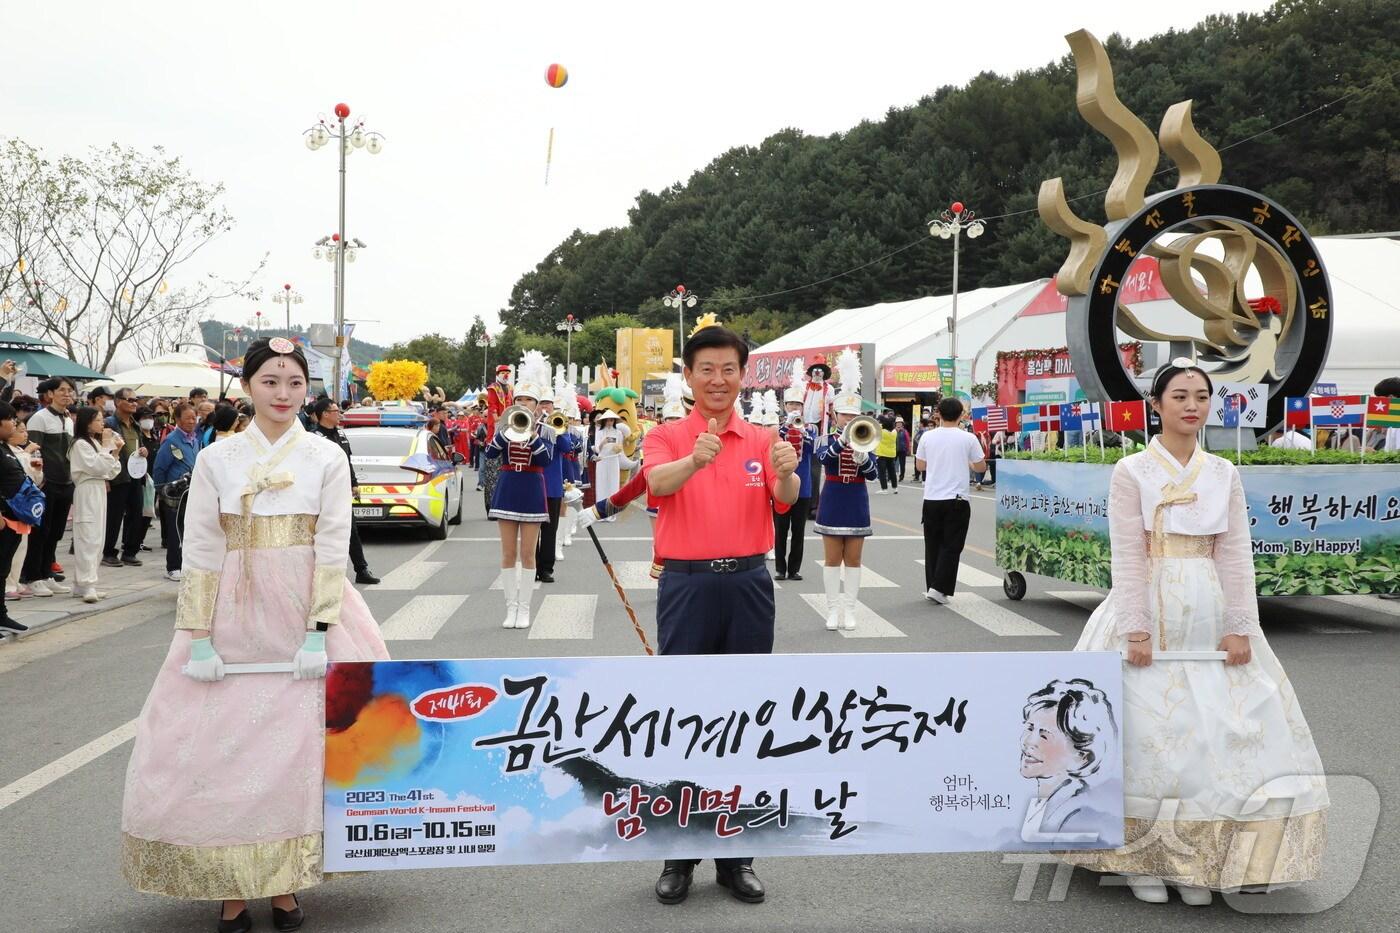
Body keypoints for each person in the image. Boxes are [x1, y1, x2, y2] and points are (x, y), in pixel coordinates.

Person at [121, 337, 390, 931]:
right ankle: (232, 888)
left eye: (294, 383)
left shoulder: (326, 457)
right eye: (270, 381)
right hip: (233, 609)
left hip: (304, 608)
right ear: (247, 387)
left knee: (303, 748)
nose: (283, 394)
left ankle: (287, 886)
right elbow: (201, 549)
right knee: (221, 746)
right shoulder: (218, 459)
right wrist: (198, 635)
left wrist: (320, 630)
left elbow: (331, 545)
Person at [1061, 359, 1328, 905]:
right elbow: (1127, 556)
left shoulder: (1223, 472)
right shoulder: (1131, 471)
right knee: (1146, 728)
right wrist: (1134, 630)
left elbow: (1236, 555)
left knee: (1220, 727)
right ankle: (1140, 859)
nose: (1191, 405)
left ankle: (1203, 859)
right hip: (1151, 600)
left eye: (1201, 396)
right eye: (1179, 396)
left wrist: (1241, 626)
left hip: (1207, 600)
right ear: (1154, 406)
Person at [642, 322, 799, 906]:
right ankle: (678, 857)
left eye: (727, 369)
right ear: (688, 375)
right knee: (684, 719)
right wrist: (695, 461)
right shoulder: (666, 434)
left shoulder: (761, 437)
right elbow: (655, 482)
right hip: (687, 587)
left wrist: (785, 470)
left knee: (746, 718)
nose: (717, 379)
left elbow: (786, 497)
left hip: (750, 585)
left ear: (741, 375)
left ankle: (737, 859)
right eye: (705, 368)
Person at [485, 351, 554, 628]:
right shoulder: (505, 426)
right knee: (507, 553)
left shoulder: (545, 430)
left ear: (537, 405)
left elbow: (546, 460)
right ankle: (510, 607)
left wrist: (533, 435)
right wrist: (503, 432)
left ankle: (524, 608)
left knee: (528, 553)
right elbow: (490, 455)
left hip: (532, 490)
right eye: (520, 400)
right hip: (508, 487)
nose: (524, 404)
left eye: (528, 400)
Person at [813, 348, 876, 632]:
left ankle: (849, 610)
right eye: (844, 414)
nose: (848, 418)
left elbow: (874, 475)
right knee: (831, 559)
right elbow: (824, 459)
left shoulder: (868, 435)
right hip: (834, 498)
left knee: (854, 559)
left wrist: (863, 458)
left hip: (857, 500)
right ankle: (831, 610)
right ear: (835, 414)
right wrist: (843, 442)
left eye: (853, 414)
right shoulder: (827, 437)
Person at [1018, 679, 1120, 843]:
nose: (1029, 741)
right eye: (1030, 728)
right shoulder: (1042, 804)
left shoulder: (1078, 815)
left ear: (1082, 756)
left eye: (1044, 735)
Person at [915, 397, 987, 605]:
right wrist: (967, 463)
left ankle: (933, 587)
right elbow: (981, 467)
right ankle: (939, 588)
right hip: (957, 499)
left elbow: (920, 466)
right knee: (952, 545)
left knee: (933, 544)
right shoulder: (968, 438)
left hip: (931, 498)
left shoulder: (928, 437)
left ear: (938, 414)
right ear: (961, 415)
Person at [306, 397, 380, 585]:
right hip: (320, 494)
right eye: (335, 411)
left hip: (342, 492)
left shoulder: (341, 435)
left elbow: (347, 462)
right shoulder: (314, 438)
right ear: (324, 414)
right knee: (320, 533)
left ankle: (361, 569)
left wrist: (354, 483)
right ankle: (315, 571)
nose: (339, 414)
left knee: (350, 530)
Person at [21, 377, 77, 596]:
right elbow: (33, 450)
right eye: (62, 390)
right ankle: (33, 576)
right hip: (46, 484)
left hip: (66, 482)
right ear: (50, 394)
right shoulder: (39, 418)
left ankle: (46, 573)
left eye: (69, 391)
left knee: (55, 532)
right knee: (40, 532)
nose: (67, 394)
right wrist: (41, 479)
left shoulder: (69, 419)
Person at [69, 406, 122, 603]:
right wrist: (108, 446)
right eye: (99, 420)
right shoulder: (80, 444)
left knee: (97, 537)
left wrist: (114, 451)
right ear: (87, 422)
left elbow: (110, 471)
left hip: (99, 488)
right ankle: (87, 583)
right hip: (86, 490)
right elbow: (97, 466)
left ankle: (81, 584)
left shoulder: (94, 443)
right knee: (88, 536)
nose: (103, 424)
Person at [152, 402, 202, 582]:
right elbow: (159, 468)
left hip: (190, 493)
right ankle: (172, 566)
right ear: (178, 419)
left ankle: (185, 564)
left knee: (187, 530)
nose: (191, 421)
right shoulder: (172, 441)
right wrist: (161, 491)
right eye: (187, 418)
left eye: (193, 418)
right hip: (174, 494)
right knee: (174, 531)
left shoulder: (195, 440)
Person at [775, 361, 815, 581]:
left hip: (804, 486)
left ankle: (794, 568)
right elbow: (773, 446)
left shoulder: (811, 428)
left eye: (797, 405)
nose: (794, 408)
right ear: (785, 405)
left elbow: (812, 449)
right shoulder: (778, 427)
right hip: (782, 485)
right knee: (781, 530)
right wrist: (785, 426)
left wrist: (801, 430)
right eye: (790, 404)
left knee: (798, 531)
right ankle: (780, 568)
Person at [533, 382, 574, 582]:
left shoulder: (559, 423)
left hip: (553, 486)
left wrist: (557, 431)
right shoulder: (530, 424)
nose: (544, 407)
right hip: (533, 485)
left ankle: (547, 568)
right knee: (531, 530)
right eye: (541, 403)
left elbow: (567, 448)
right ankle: (531, 566)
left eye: (548, 404)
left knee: (550, 530)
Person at [102, 388, 148, 568]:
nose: (134, 403)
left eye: (135, 400)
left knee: (136, 514)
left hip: (135, 474)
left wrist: (144, 451)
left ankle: (130, 551)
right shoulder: (109, 424)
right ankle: (108, 552)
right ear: (117, 401)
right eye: (129, 400)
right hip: (117, 475)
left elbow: (140, 445)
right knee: (114, 516)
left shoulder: (136, 425)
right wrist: (105, 477)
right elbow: (104, 450)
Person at [0, 403, 35, 631]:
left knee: (3, 569)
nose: (14, 423)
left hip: (15, 518)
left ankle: (1, 616)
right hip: (3, 518)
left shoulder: (5, 447)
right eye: (10, 419)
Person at [5, 418, 43, 601]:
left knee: (22, 545)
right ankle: (8, 584)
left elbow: (33, 478)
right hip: (11, 504)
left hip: (25, 503)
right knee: (10, 547)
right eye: (20, 430)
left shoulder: (21, 451)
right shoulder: (8, 452)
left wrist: (37, 470)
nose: (24, 434)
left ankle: (15, 580)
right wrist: (27, 455)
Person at [801, 355, 836, 505]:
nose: (817, 372)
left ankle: (813, 504)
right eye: (815, 369)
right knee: (800, 464)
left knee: (815, 467)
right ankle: (798, 500)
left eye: (820, 370)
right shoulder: (803, 387)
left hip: (819, 429)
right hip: (802, 428)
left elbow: (832, 408)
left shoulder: (830, 389)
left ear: (824, 373)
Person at [481, 364, 514, 514]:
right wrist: (497, 420)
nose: (506, 374)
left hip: (510, 432)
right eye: (503, 372)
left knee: (508, 473)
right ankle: (491, 507)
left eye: (508, 372)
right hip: (495, 433)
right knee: (493, 474)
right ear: (498, 374)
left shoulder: (511, 388)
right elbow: (492, 406)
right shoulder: (493, 388)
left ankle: (506, 505)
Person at [591, 409, 636, 515]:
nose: (609, 422)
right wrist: (603, 442)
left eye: (611, 420)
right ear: (604, 421)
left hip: (614, 460)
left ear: (614, 421)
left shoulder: (618, 433)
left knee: (613, 484)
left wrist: (618, 448)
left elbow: (620, 447)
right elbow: (597, 449)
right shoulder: (600, 432)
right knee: (601, 484)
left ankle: (612, 511)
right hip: (602, 460)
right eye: (607, 420)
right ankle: (601, 511)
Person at [874, 413, 898, 494]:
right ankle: (895, 488)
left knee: (882, 472)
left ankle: (884, 489)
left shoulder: (881, 431)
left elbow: (876, 426)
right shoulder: (894, 432)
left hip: (882, 454)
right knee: (892, 472)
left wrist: (880, 419)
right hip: (891, 454)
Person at [894, 416, 910, 484]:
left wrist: (908, 449)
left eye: (900, 423)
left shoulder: (905, 431)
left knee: (902, 464)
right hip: (894, 449)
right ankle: (891, 476)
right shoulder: (893, 431)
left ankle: (901, 476)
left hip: (902, 450)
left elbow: (908, 440)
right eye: (897, 423)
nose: (899, 424)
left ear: (902, 424)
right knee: (892, 464)